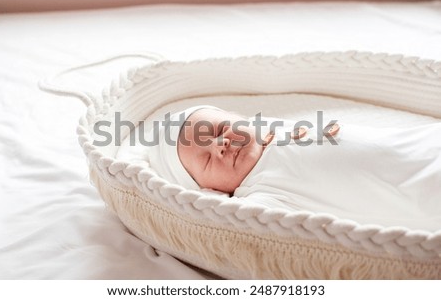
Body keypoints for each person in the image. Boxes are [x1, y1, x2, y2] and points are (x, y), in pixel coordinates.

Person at [148, 105, 441, 230]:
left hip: (421, 143)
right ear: (207, 188)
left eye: (221, 128)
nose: (220, 144)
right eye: (207, 158)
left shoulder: (276, 131)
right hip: (420, 191)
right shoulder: (260, 193)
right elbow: (226, 222)